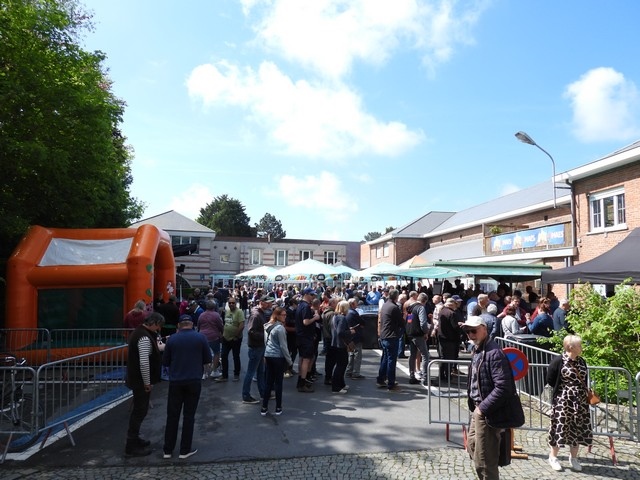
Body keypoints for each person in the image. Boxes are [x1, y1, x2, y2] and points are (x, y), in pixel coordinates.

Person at [464, 315, 523, 480]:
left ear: (484, 329)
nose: (470, 334)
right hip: (479, 409)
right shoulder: (478, 349)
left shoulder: (494, 353)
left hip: (487, 412)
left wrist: (482, 409)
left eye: (473, 330)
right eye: (468, 331)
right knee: (473, 448)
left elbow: (504, 387)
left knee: (484, 462)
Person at [162, 315, 212, 460]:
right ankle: (184, 450)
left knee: (172, 415)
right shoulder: (200, 338)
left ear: (179, 325)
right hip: (193, 379)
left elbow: (165, 361)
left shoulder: (172, 339)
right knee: (189, 415)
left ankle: (168, 450)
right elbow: (207, 359)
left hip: (176, 380)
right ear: (192, 324)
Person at [545, 335, 593, 472]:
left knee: (577, 428)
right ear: (571, 347)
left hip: (580, 401)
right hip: (563, 400)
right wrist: (565, 391)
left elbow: (584, 378)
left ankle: (574, 458)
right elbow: (550, 379)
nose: (581, 348)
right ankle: (553, 457)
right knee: (560, 426)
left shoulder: (581, 361)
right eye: (579, 345)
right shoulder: (558, 361)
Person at [125, 312, 164, 456]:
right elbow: (144, 362)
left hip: (137, 379)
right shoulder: (144, 337)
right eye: (159, 326)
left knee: (140, 410)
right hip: (140, 381)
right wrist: (147, 382)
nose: (159, 329)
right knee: (140, 411)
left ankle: (134, 439)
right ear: (154, 323)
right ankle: (131, 444)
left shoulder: (140, 333)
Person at [261, 306, 293, 416]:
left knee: (268, 382)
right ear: (277, 315)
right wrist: (289, 361)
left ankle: (264, 407)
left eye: (285, 315)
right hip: (278, 357)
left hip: (268, 355)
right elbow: (283, 346)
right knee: (278, 383)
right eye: (283, 315)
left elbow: (266, 341)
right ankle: (278, 407)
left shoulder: (268, 326)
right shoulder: (280, 328)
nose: (285, 317)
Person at [242, 294, 272, 404]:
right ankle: (246, 395)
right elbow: (251, 331)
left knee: (260, 371)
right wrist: (265, 335)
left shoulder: (260, 313)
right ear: (262, 302)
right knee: (251, 372)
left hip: (259, 346)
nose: (270, 304)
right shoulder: (256, 315)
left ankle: (263, 393)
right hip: (256, 347)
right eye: (268, 302)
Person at [376, 289, 404, 392]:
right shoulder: (394, 307)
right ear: (396, 297)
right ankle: (391, 384)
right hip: (391, 336)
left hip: (384, 335)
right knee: (391, 360)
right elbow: (401, 322)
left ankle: (381, 379)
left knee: (385, 358)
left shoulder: (385, 305)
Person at [295, 288, 321, 393]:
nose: (313, 297)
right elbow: (305, 322)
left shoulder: (301, 305)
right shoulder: (305, 306)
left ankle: (302, 380)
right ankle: (302, 382)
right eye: (311, 295)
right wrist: (315, 318)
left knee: (303, 359)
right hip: (305, 337)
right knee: (306, 359)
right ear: (306, 294)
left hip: (302, 336)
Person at [216, 296, 244, 383]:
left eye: (233, 303)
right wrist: (222, 334)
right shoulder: (227, 311)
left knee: (236, 356)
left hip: (235, 339)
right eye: (230, 303)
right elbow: (225, 323)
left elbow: (241, 325)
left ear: (236, 304)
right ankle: (224, 376)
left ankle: (236, 374)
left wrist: (236, 336)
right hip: (226, 338)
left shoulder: (239, 312)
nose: (231, 304)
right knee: (223, 356)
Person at [327, 300, 352, 394]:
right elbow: (340, 332)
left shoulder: (335, 316)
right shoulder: (342, 318)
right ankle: (336, 387)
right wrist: (350, 332)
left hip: (335, 343)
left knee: (341, 364)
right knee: (341, 365)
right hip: (340, 344)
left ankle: (341, 384)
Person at [407, 292, 432, 385]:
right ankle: (426, 378)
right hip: (418, 334)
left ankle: (412, 376)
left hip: (410, 333)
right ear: (425, 301)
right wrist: (426, 331)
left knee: (412, 355)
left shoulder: (411, 307)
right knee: (425, 355)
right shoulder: (421, 308)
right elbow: (423, 323)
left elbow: (409, 320)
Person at [197, 300, 224, 378]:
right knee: (216, 353)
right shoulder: (216, 315)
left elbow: (198, 325)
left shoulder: (202, 315)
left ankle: (204, 373)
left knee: (203, 354)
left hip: (202, 336)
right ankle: (214, 371)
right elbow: (220, 326)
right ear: (214, 307)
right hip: (213, 336)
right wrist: (222, 333)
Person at [345, 297, 365, 379]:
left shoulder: (347, 312)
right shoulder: (354, 313)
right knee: (357, 355)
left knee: (351, 354)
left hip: (350, 336)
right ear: (353, 304)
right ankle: (356, 372)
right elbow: (362, 322)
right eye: (356, 303)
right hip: (356, 336)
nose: (357, 304)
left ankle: (349, 371)